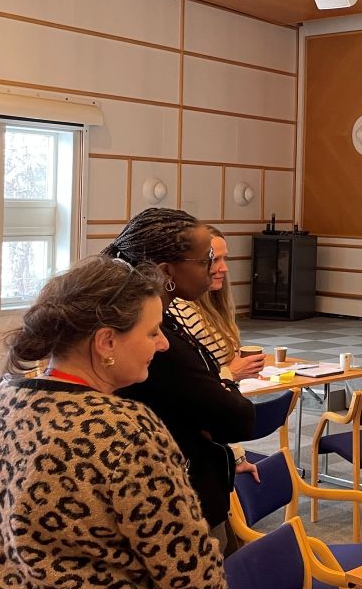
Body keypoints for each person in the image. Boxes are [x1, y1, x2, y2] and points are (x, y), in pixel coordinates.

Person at [0, 256, 225, 589]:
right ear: (106, 341)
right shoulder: (125, 429)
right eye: (153, 331)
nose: (164, 345)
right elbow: (191, 577)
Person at [106, 207, 256, 553]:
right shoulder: (158, 346)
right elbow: (235, 417)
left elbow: (226, 416)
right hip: (177, 505)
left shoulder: (167, 325)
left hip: (192, 491)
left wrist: (219, 393)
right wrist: (225, 385)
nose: (215, 269)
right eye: (205, 261)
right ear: (166, 272)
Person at [167, 225, 264, 483]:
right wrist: (232, 372)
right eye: (213, 259)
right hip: (201, 444)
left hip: (220, 432)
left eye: (224, 258)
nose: (223, 267)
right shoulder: (180, 315)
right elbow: (201, 394)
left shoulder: (213, 307)